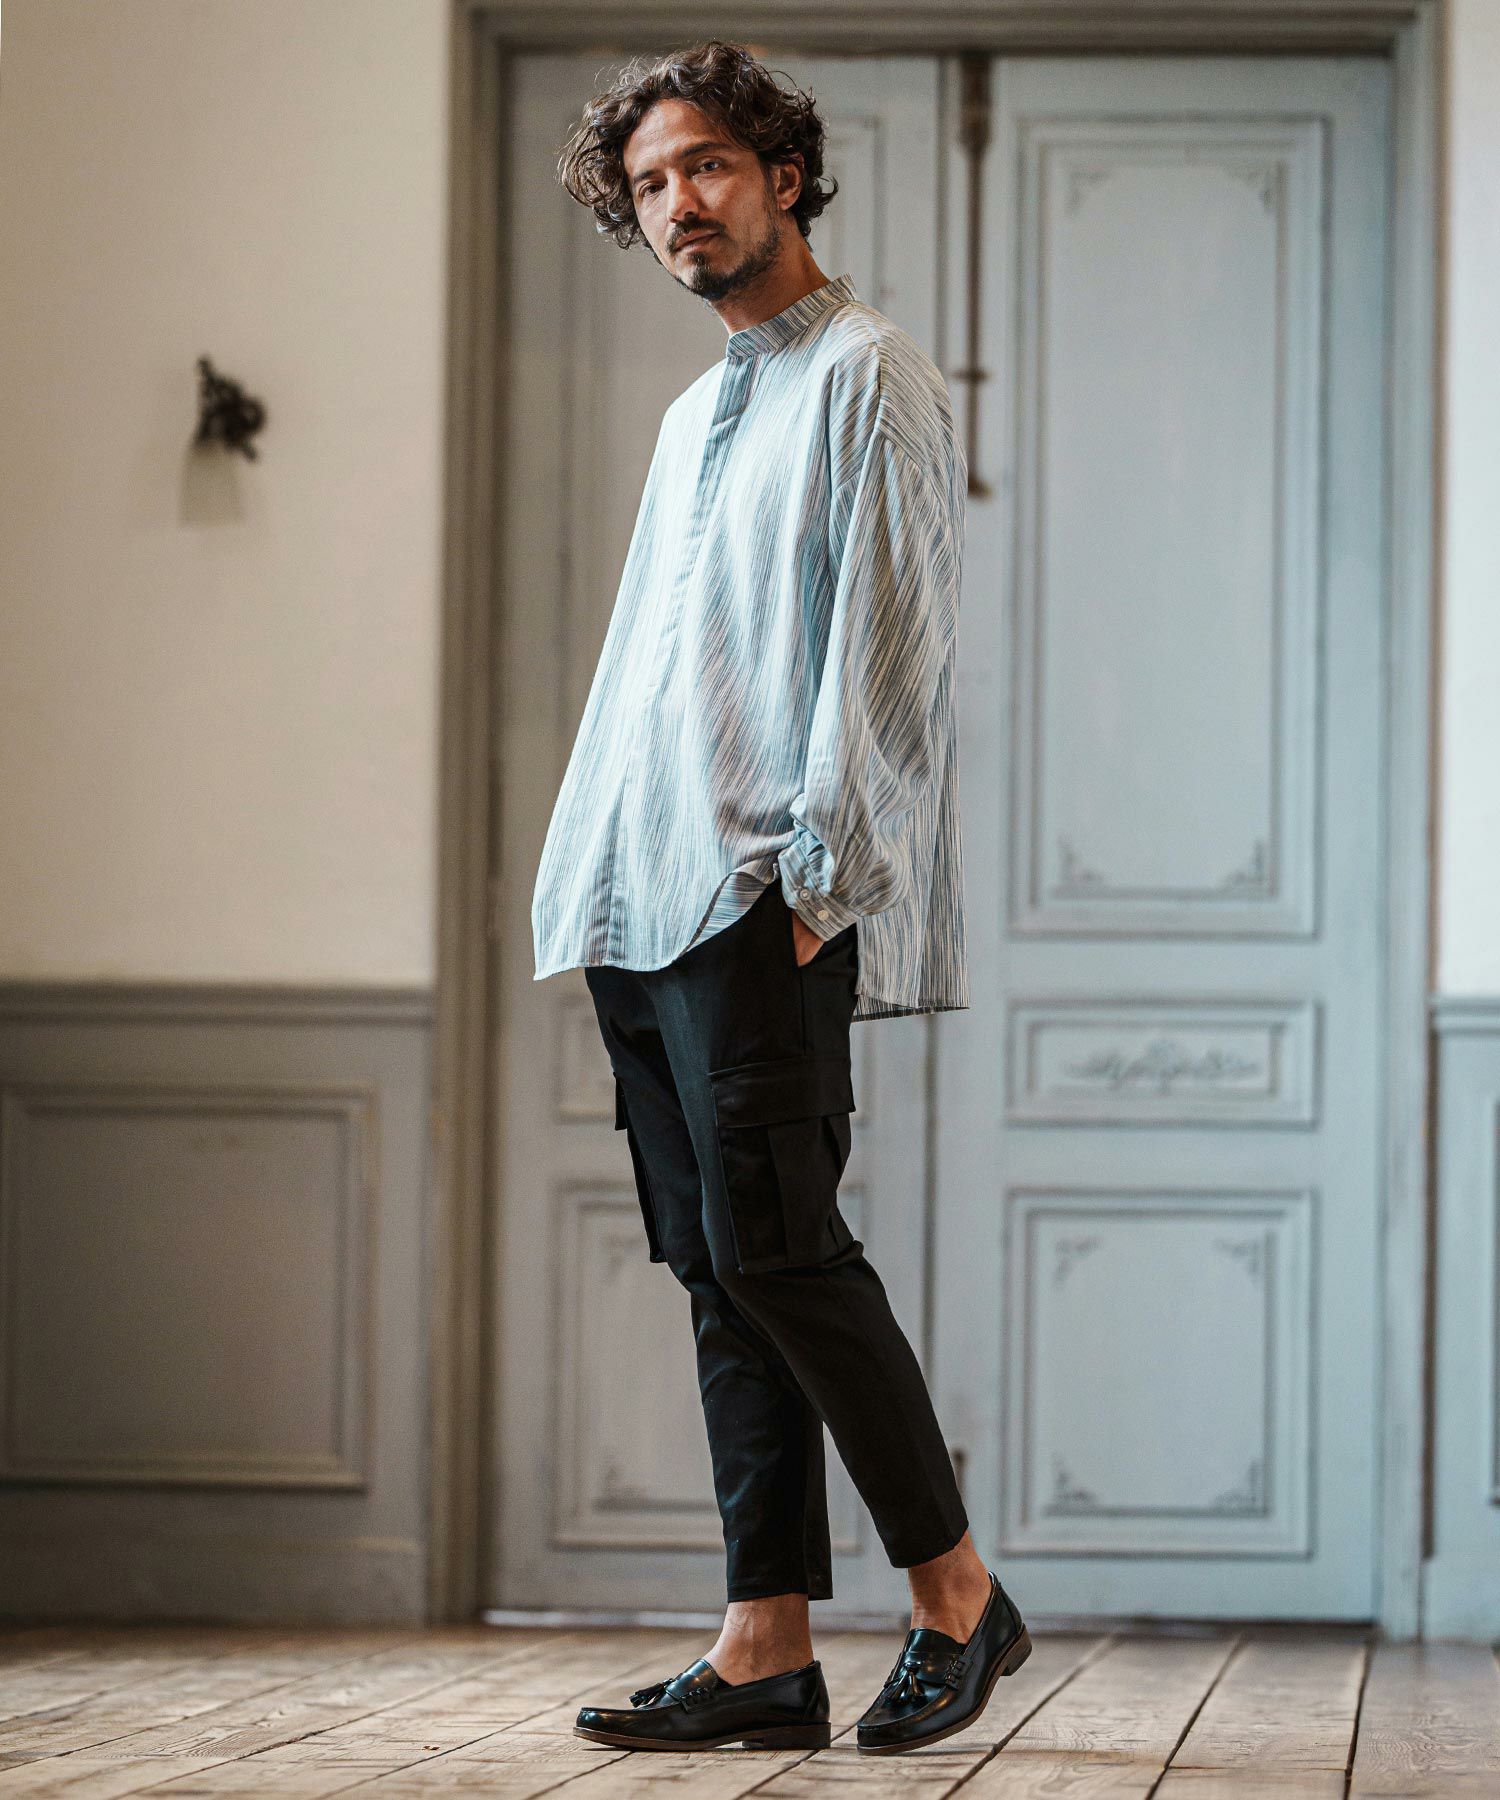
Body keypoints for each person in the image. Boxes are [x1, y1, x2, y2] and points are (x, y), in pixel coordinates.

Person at [531, 38, 1030, 1756]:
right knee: (718, 1269)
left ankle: (959, 1595)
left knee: (786, 1254)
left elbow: (892, 650)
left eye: (708, 167)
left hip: (759, 894)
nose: (680, 202)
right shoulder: (696, 414)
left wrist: (817, 884)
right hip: (643, 897)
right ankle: (765, 1648)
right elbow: (655, 673)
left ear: (783, 175)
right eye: (651, 183)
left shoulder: (870, 375)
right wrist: (595, 878)